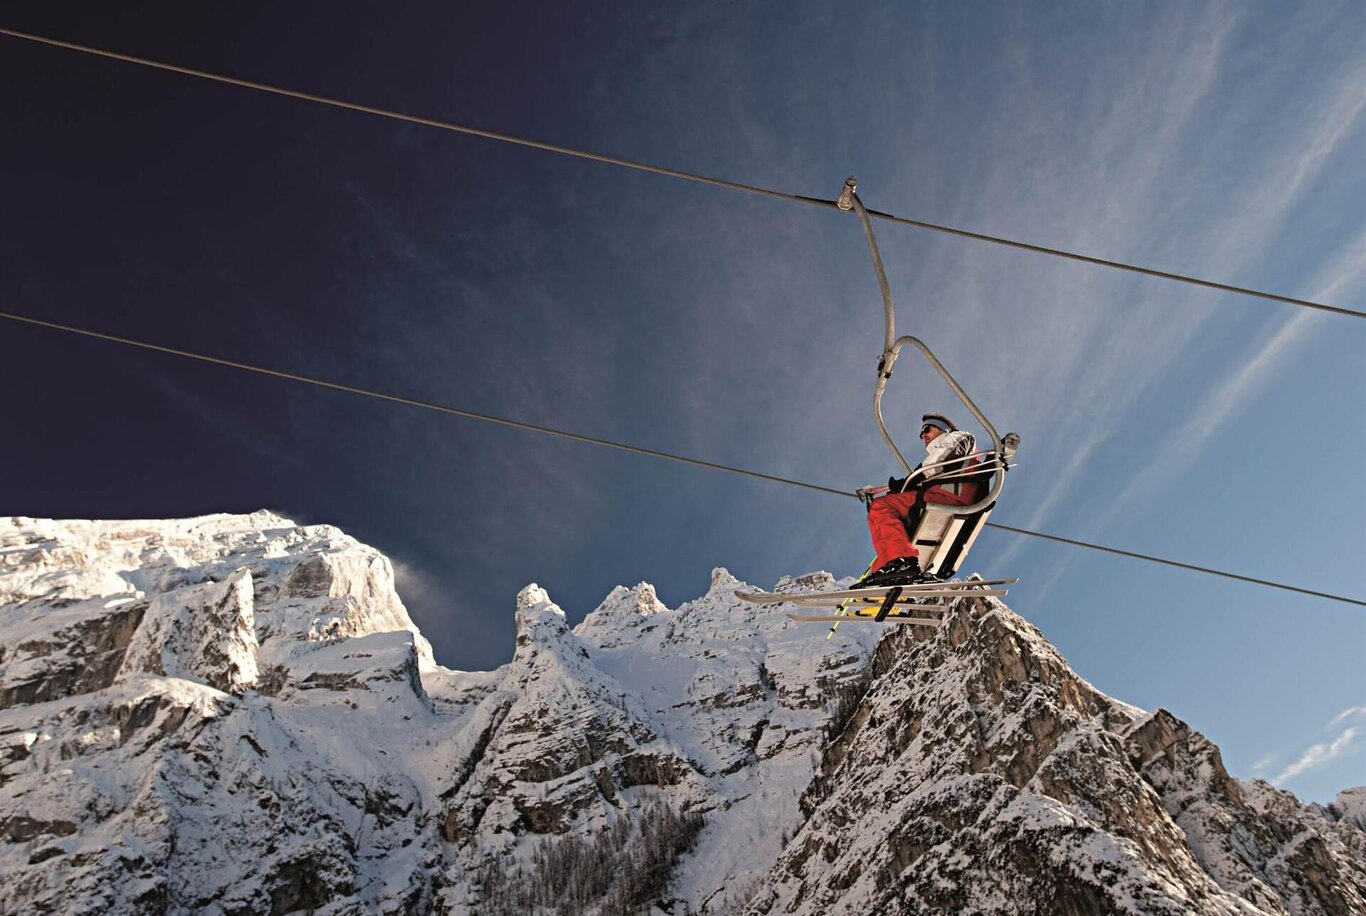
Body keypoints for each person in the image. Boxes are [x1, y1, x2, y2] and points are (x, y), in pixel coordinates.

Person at [859, 413, 979, 586]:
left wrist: (908, 482)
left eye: (926, 429)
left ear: (942, 428)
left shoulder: (959, 437)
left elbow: (937, 464)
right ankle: (885, 572)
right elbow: (933, 469)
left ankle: (901, 560)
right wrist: (902, 487)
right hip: (940, 494)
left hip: (948, 496)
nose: (923, 435)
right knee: (877, 515)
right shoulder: (944, 449)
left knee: (881, 506)